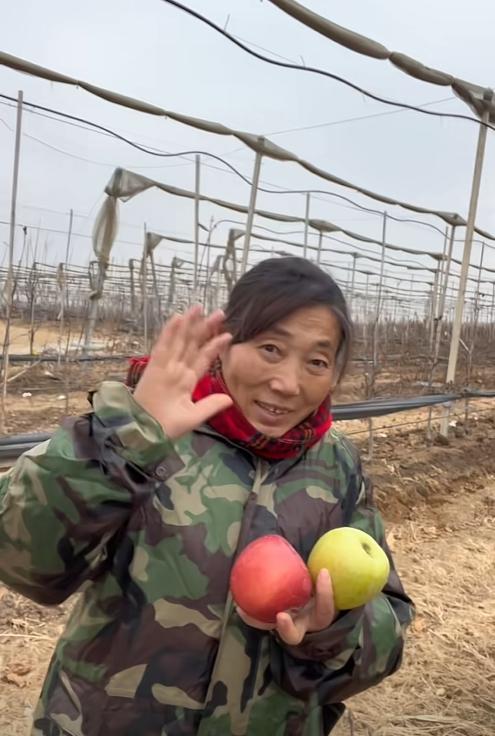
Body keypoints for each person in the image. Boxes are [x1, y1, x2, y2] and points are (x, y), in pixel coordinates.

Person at [0, 257, 413, 736]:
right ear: (226, 342)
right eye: (271, 348)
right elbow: (23, 562)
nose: (288, 383)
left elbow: (385, 638)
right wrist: (125, 439)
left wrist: (331, 630)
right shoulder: (151, 432)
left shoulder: (337, 468)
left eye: (317, 362)